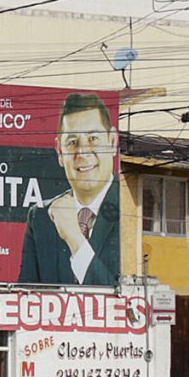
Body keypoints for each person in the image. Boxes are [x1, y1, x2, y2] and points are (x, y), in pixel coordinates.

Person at [18, 92, 121, 288]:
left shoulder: (132, 210)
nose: (82, 152)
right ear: (59, 151)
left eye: (93, 138)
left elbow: (122, 300)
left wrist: (75, 238)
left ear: (113, 142)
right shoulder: (41, 217)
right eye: (72, 142)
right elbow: (25, 297)